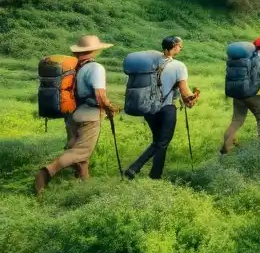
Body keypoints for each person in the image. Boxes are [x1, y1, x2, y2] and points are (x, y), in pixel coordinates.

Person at [35, 35, 119, 195]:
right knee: (81, 152)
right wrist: (111, 108)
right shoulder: (95, 68)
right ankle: (46, 172)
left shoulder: (74, 68)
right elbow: (100, 96)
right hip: (89, 116)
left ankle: (83, 183)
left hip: (72, 115)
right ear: (95, 50)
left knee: (78, 152)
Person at [126, 36, 199, 180]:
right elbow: (185, 93)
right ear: (174, 46)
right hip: (166, 108)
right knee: (162, 143)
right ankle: (138, 169)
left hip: (148, 108)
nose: (181, 48)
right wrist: (193, 97)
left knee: (158, 141)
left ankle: (150, 173)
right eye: (180, 46)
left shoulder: (148, 64)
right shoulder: (179, 66)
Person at [221, 36, 260, 154]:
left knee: (237, 120)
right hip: (256, 94)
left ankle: (225, 148)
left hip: (239, 93)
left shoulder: (241, 61)